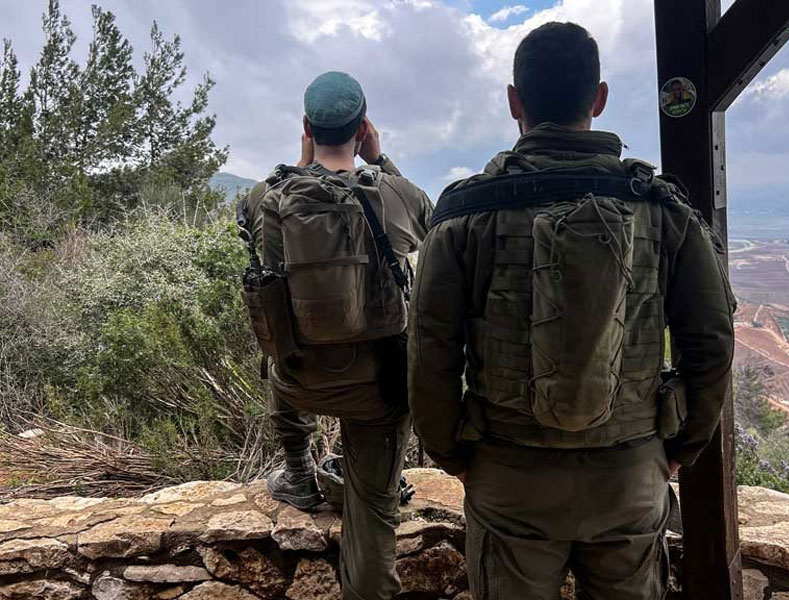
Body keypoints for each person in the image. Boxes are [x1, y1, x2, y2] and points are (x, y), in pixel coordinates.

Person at [409, 22, 735, 600]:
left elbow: (431, 354)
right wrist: (677, 450)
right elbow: (710, 342)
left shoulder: (463, 214)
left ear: (515, 102)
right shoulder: (662, 211)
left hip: (509, 477)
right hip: (630, 474)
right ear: (600, 97)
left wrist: (454, 455)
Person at [240, 71, 432, 600]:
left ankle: (299, 469)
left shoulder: (266, 196)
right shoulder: (394, 193)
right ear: (364, 128)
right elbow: (430, 222)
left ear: (306, 127)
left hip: (297, 380)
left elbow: (261, 244)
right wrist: (380, 159)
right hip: (377, 390)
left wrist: (300, 164)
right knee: (373, 515)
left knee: (274, 340)